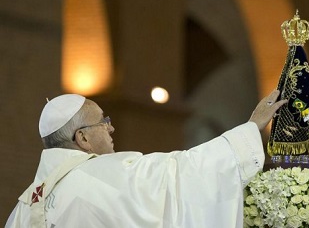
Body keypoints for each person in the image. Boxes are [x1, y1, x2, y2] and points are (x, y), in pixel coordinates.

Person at [6, 90, 287, 228]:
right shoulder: (102, 176)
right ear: (83, 139)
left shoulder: (23, 208)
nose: (111, 128)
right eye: (103, 122)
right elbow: (179, 174)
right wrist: (250, 129)